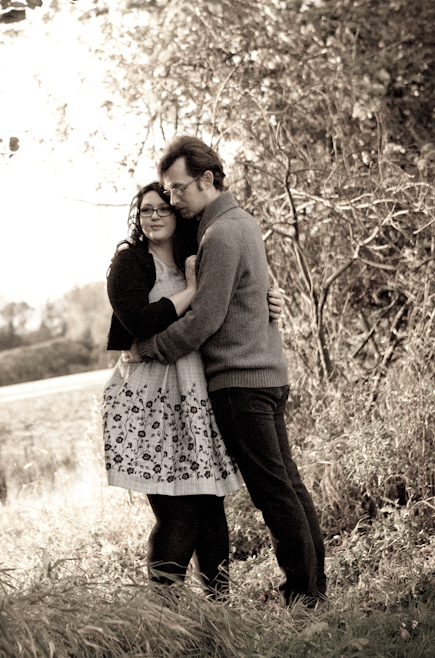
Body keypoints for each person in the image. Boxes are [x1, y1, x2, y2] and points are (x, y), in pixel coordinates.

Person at [132, 135, 326, 607]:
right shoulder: (242, 223)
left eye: (179, 189)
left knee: (275, 496)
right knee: (289, 490)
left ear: (207, 179)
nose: (174, 199)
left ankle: (304, 598)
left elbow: (205, 318)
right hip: (266, 376)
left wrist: (151, 348)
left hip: (241, 383)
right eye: (168, 191)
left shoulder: (219, 235)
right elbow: (252, 295)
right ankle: (313, 594)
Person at [102, 181, 281, 596]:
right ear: (138, 217)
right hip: (148, 402)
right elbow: (139, 322)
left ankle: (219, 610)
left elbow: (239, 292)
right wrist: (191, 293)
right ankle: (163, 613)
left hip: (197, 395)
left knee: (210, 505)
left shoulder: (198, 254)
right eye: (145, 210)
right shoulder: (129, 263)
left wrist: (272, 301)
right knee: (178, 511)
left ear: (176, 213)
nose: (154, 216)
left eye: (163, 207)